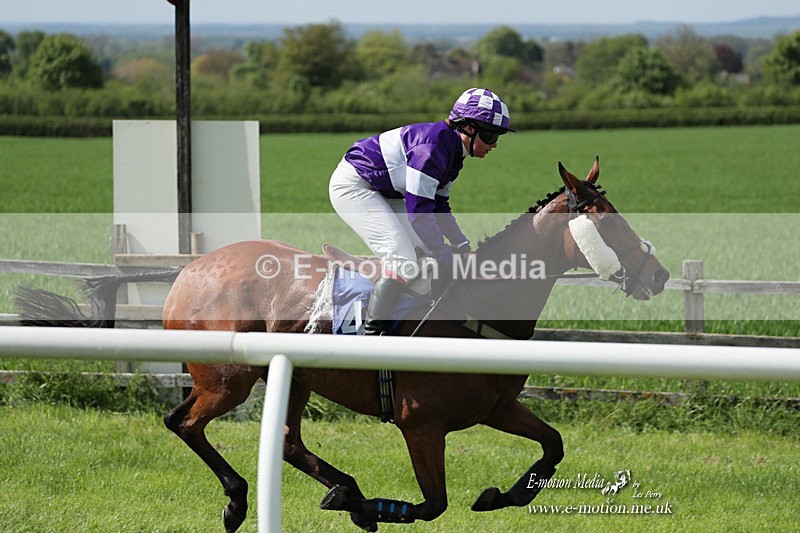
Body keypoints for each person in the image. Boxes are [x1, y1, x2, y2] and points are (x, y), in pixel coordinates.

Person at [329, 87, 514, 335]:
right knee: (405, 261)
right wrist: (443, 251)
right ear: (468, 128)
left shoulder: (453, 153)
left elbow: (439, 206)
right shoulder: (432, 150)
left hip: (387, 191)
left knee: (425, 255)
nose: (494, 145)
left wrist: (461, 246)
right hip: (354, 186)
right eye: (491, 136)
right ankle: (370, 337)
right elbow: (419, 213)